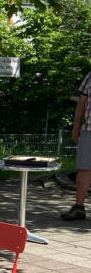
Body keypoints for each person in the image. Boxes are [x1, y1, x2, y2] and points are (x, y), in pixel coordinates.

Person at [60, 70, 91, 220]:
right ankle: (79, 207)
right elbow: (81, 103)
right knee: (84, 169)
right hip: (89, 130)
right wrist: (76, 126)